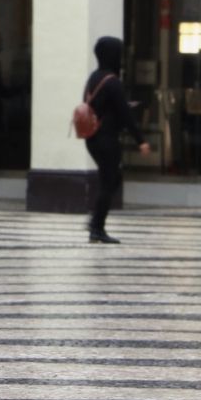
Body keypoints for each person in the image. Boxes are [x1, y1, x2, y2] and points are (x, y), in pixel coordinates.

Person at [84, 36, 151, 244]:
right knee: (109, 181)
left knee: (112, 178)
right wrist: (141, 140)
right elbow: (125, 115)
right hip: (106, 139)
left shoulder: (94, 78)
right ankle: (96, 227)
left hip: (92, 137)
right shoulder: (113, 82)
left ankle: (96, 220)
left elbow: (100, 106)